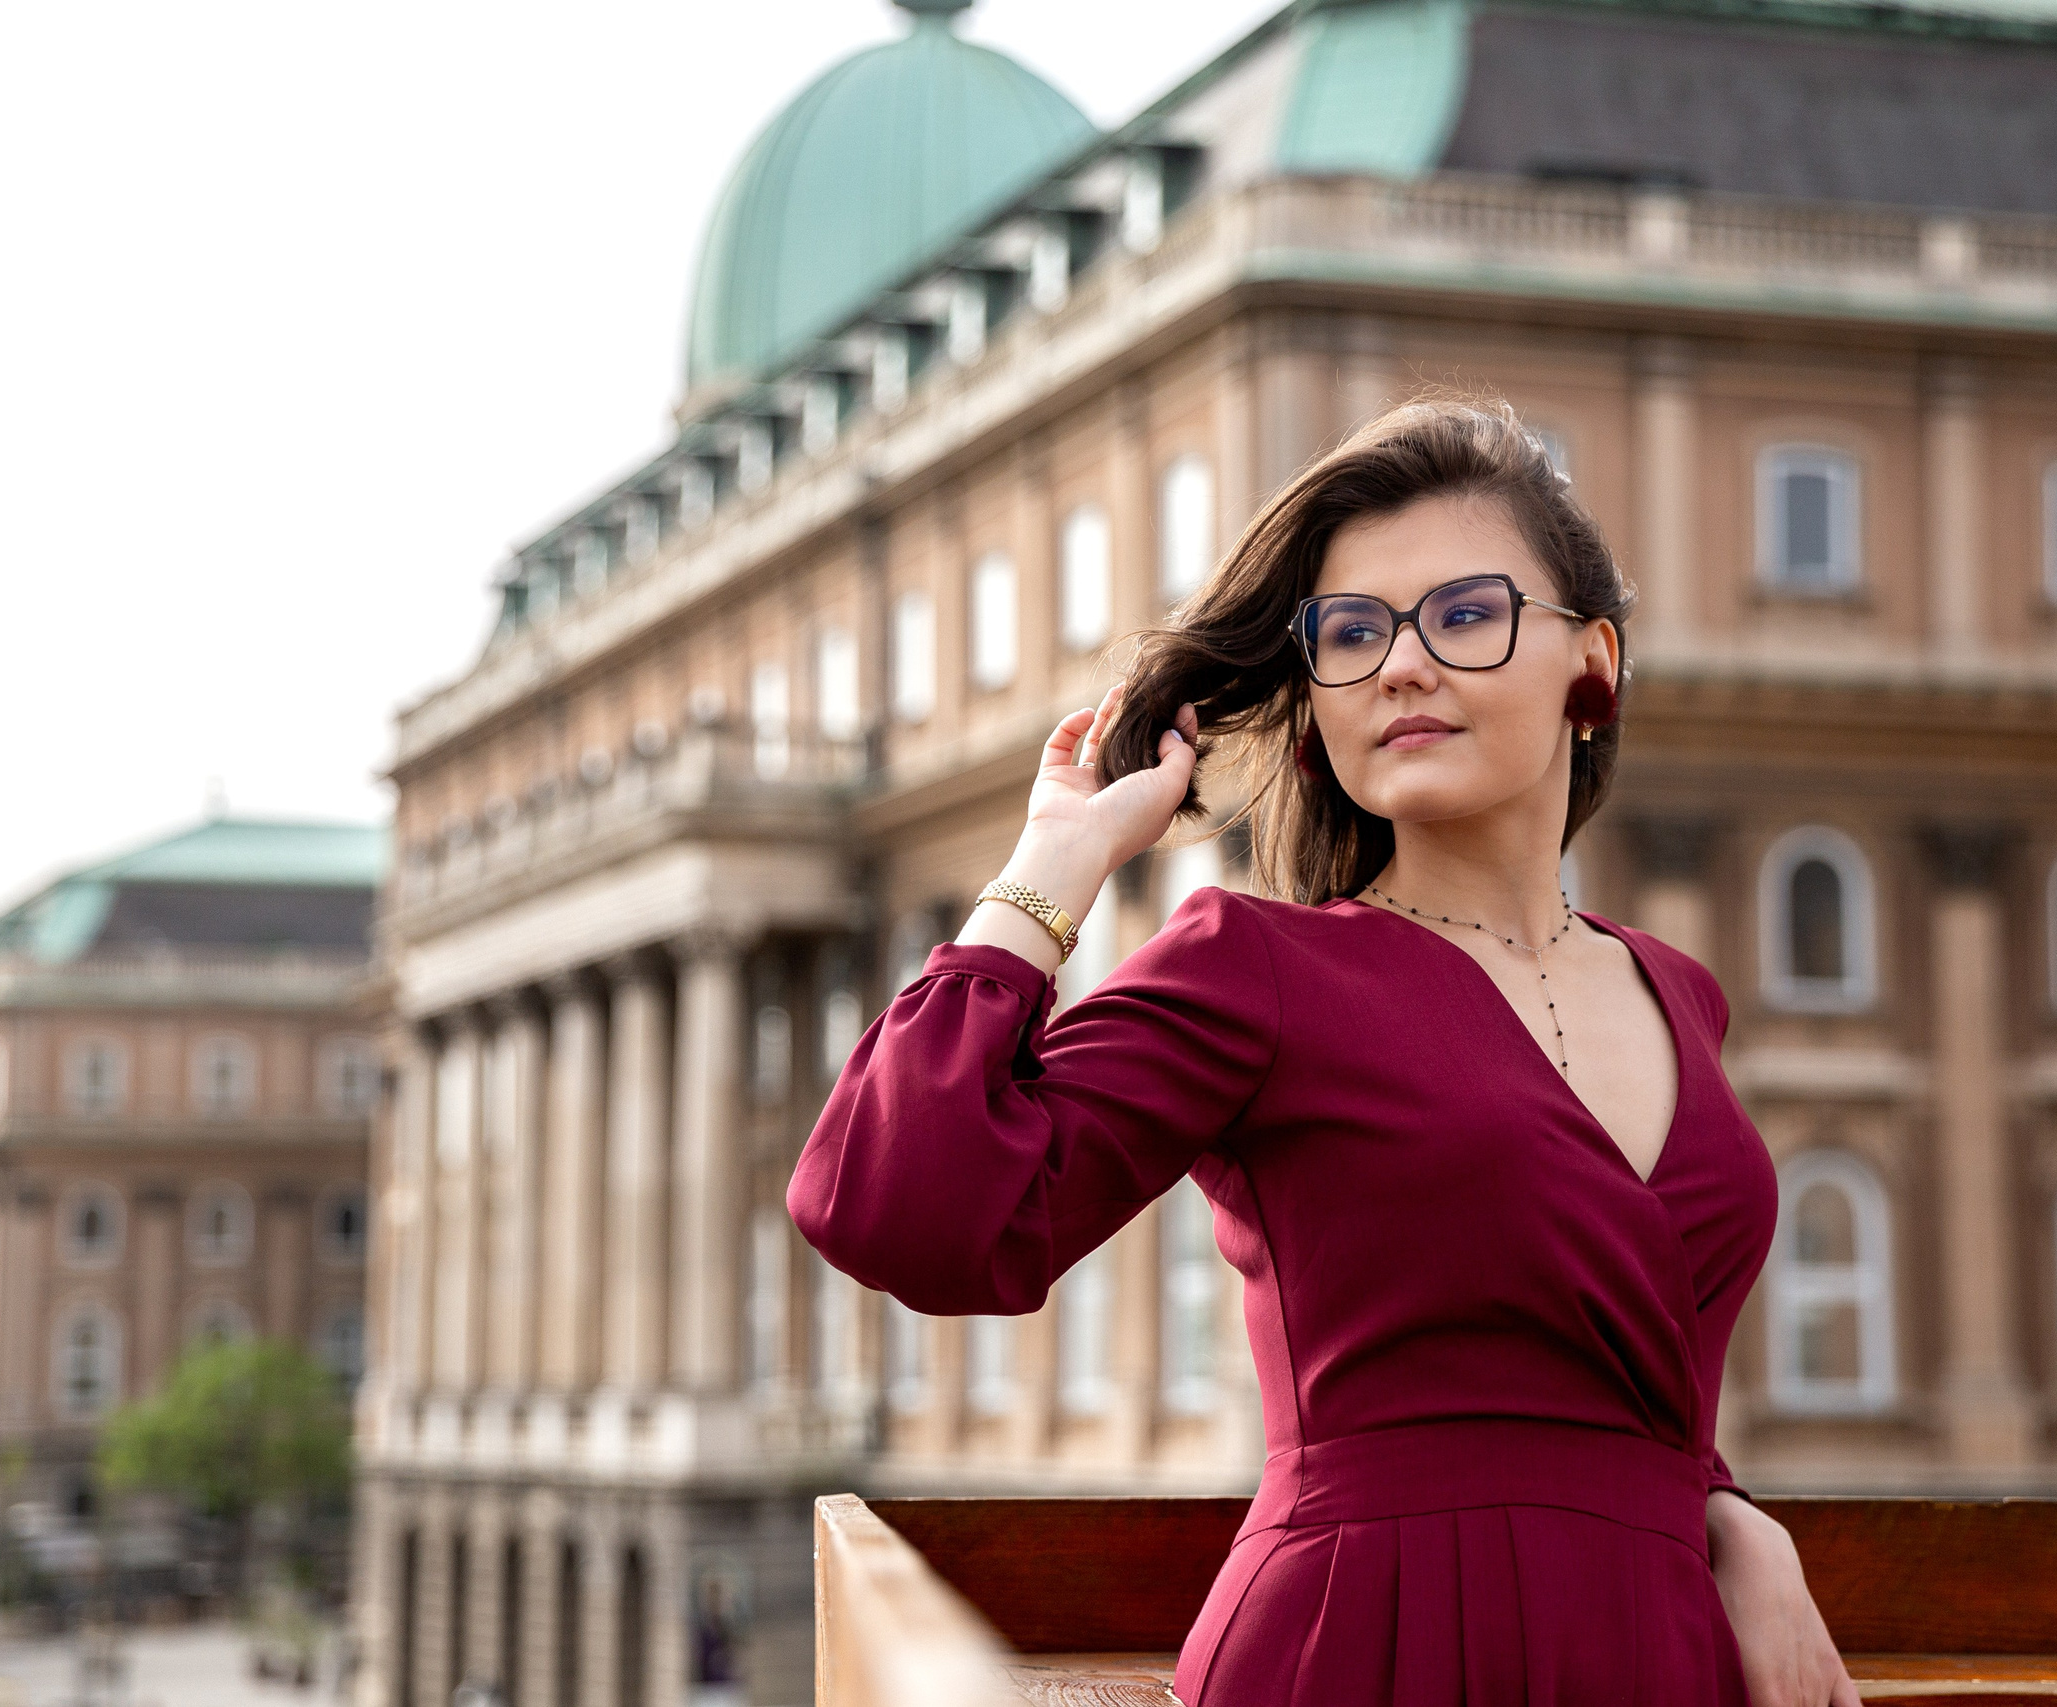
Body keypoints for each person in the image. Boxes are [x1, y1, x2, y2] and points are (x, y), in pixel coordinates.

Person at [786, 398, 1857, 1706]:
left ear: (1593, 664)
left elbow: (1612, 1361)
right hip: (1362, 1647)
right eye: (1353, 633)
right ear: (1317, 706)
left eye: (1464, 614)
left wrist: (1720, 1507)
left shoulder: (1680, 993)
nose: (1402, 665)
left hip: (1656, 1653)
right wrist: (1056, 860)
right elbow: (898, 1208)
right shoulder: (1256, 969)